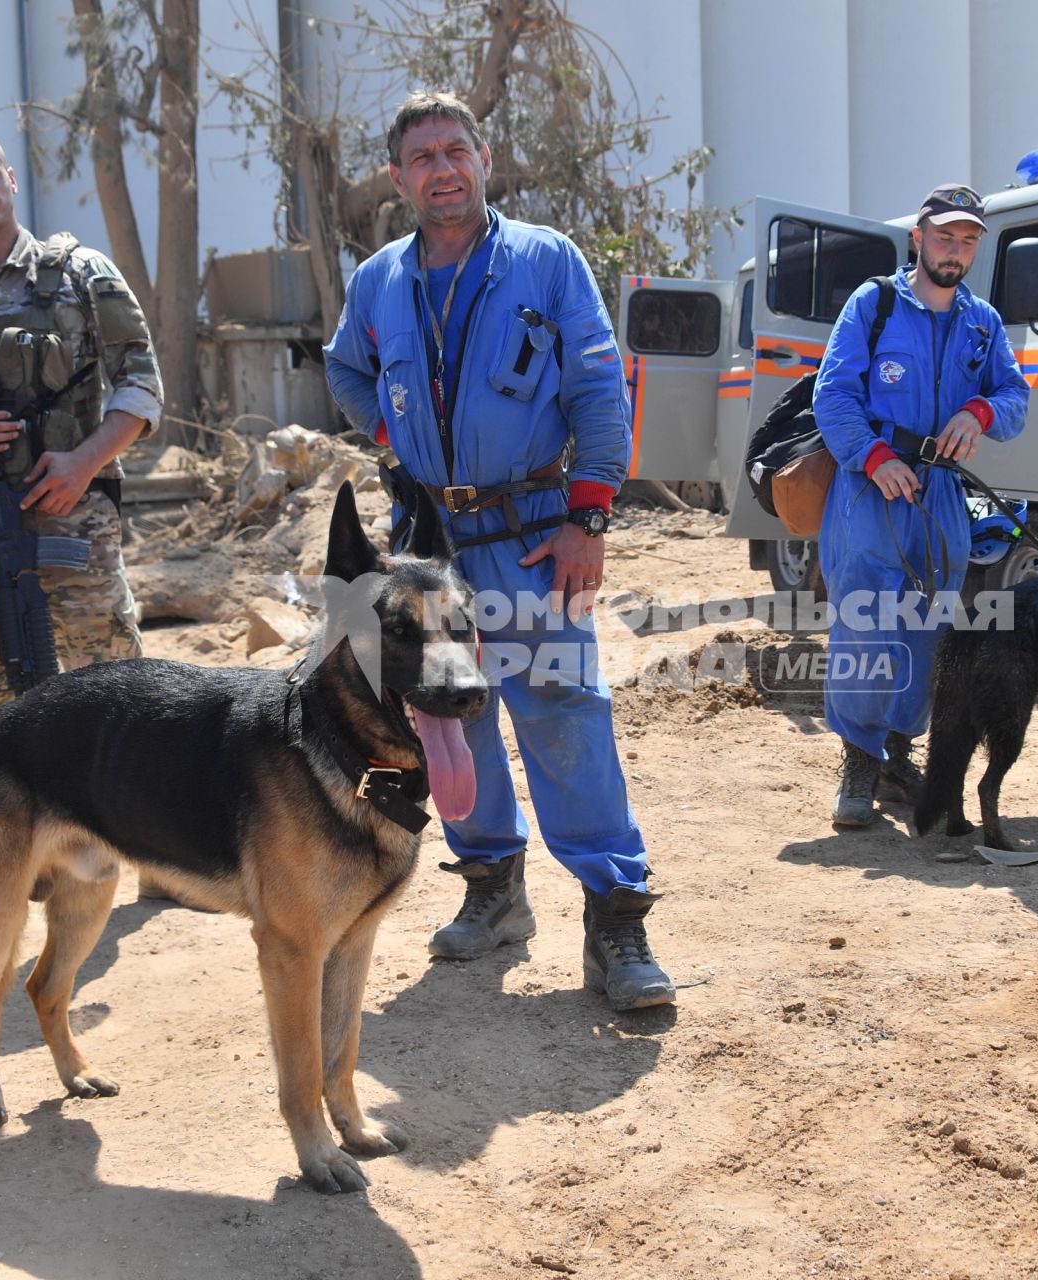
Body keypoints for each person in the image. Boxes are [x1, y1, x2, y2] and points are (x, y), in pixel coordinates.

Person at [323, 92, 674, 1011]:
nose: (442, 168)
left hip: (533, 535)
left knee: (564, 715)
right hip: (432, 548)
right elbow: (344, 367)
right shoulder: (379, 283)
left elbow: (601, 390)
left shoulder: (546, 263)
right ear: (398, 180)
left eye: (455, 150)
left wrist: (589, 517)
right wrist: (390, 443)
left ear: (484, 159)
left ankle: (615, 916)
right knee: (446, 714)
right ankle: (493, 891)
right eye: (422, 157)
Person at [0, 127, 183, 902]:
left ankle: (157, 850)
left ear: (11, 180)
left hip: (70, 522)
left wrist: (85, 462)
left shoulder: (82, 276)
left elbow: (143, 389)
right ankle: (21, 862)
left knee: (113, 686)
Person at [812, 182, 1030, 828]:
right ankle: (857, 760)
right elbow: (834, 397)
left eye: (967, 242)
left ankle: (897, 757)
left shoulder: (982, 324)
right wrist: (873, 457)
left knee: (926, 631)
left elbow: (1015, 400)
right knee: (867, 625)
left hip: (938, 496)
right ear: (918, 238)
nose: (955, 252)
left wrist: (981, 409)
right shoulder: (874, 304)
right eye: (944, 237)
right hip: (870, 486)